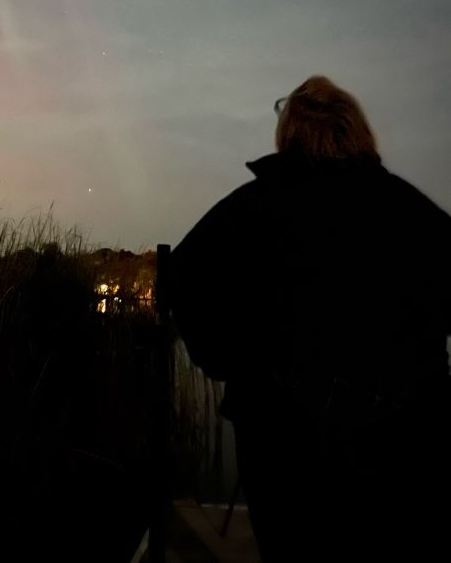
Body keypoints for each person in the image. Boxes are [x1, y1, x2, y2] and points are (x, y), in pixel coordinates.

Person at [169, 75, 450, 562]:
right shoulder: (411, 210)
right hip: (401, 447)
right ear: (357, 129)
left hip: (281, 447)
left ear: (289, 132)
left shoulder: (249, 210)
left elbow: (185, 282)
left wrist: (233, 363)